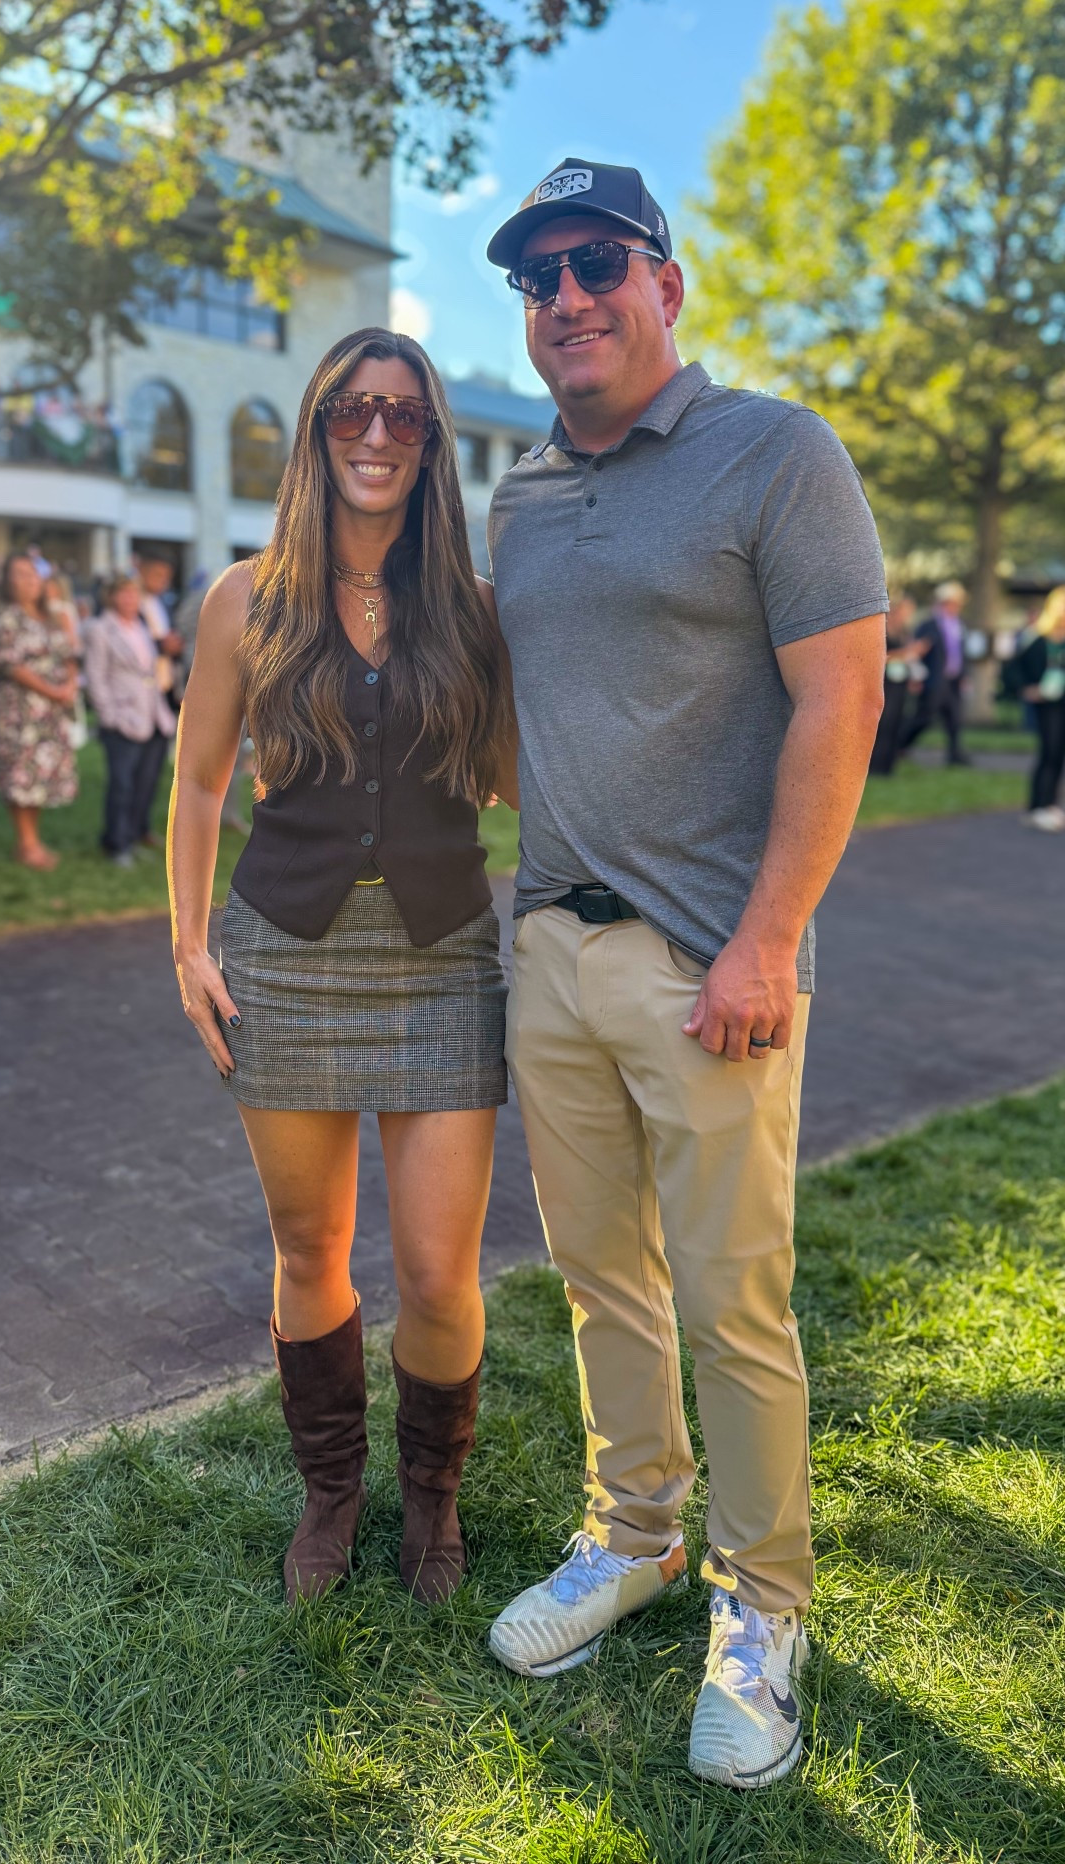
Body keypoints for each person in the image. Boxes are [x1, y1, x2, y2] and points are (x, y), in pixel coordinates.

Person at [480, 161, 887, 1790]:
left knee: (735, 1301)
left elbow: (840, 706)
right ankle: (634, 1532)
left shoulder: (776, 453)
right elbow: (523, 707)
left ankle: (760, 1597)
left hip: (710, 971)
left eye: (594, 263)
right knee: (604, 1286)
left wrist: (768, 938)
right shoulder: (516, 491)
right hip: (550, 954)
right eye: (536, 277)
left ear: (666, 282)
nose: (565, 296)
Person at [168, 326, 514, 1607]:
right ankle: (331, 1493)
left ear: (431, 448)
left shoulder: (476, 612)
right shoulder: (242, 599)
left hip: (441, 959)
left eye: (407, 417)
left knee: (436, 1267)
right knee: (310, 1247)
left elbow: (526, 780)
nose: (379, 434)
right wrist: (190, 943)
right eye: (354, 411)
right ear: (317, 429)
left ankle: (433, 1501)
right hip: (287, 954)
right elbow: (201, 781)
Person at [0, 554, 81, 869]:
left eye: (33, 574)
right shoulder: (4, 617)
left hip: (51, 712)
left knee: (40, 777)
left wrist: (68, 684)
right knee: (20, 775)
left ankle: (32, 839)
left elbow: (68, 652)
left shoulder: (49, 616)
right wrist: (53, 691)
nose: (29, 580)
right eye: (21, 574)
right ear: (7, 580)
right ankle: (26, 843)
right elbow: (10, 664)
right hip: (21, 710)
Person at [82, 572, 175, 866]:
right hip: (123, 717)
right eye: (124, 593)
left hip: (152, 715)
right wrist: (109, 715)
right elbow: (95, 675)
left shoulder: (141, 625)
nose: (130, 599)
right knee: (121, 783)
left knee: (145, 781)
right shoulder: (100, 629)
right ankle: (116, 842)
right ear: (111, 597)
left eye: (134, 594)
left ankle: (135, 834)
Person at [1011, 583, 1065, 831]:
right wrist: (1027, 689)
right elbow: (1014, 669)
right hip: (1047, 703)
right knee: (1049, 750)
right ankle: (1037, 806)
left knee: (1062, 752)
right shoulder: (1037, 637)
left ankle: (1051, 801)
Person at [133, 552, 182, 848]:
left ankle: (142, 826)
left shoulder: (162, 604)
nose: (162, 583)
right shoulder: (132, 602)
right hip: (138, 694)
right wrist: (161, 645)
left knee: (152, 769)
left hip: (162, 689)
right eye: (157, 576)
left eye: (166, 578)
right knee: (131, 771)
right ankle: (125, 833)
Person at [900, 580, 970, 765]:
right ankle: (901, 744)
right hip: (933, 679)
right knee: (924, 717)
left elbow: (962, 652)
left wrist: (963, 675)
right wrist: (916, 677)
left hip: (952, 679)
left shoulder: (959, 625)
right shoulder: (928, 624)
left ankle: (955, 755)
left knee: (955, 719)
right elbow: (917, 653)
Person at [869, 591, 923, 776]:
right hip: (885, 682)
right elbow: (879, 658)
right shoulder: (883, 630)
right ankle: (874, 766)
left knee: (896, 722)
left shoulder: (904, 632)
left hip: (900, 681)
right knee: (883, 723)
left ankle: (888, 765)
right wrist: (906, 652)